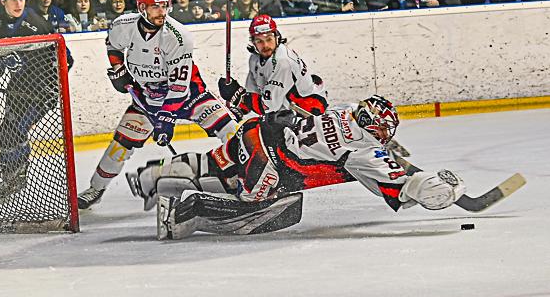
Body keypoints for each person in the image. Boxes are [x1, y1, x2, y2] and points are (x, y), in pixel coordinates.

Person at [133, 97, 470, 239]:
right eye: (383, 130)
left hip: (258, 131)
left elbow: (305, 110)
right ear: (372, 126)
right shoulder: (365, 152)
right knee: (270, 210)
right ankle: (180, 216)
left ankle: (150, 176)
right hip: (270, 166)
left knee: (215, 164)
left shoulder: (346, 109)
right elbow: (404, 186)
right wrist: (439, 189)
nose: (385, 135)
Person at [76, 0, 239, 210]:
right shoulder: (123, 25)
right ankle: (96, 188)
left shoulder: (178, 36)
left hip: (190, 96)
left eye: (165, 6)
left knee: (232, 131)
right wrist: (119, 69)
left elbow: (179, 88)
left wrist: (165, 120)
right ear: (141, 7)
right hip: (148, 98)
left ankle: (242, 178)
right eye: (155, 7)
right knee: (120, 146)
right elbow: (113, 45)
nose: (162, 12)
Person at [0, 0, 74, 201]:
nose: (18, 4)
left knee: (13, 132)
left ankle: (16, 178)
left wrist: (53, 82)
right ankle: (12, 178)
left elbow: (66, 58)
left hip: (41, 91)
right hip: (17, 89)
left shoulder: (37, 24)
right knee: (5, 133)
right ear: (2, 0)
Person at [217, 15, 327, 124]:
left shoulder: (283, 61)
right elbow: (252, 93)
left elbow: (269, 107)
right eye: (259, 41)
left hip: (308, 112)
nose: (265, 45)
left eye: (269, 39)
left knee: (256, 130)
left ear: (276, 37)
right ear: (253, 42)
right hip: (285, 110)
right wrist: (240, 108)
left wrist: (237, 96)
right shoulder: (254, 59)